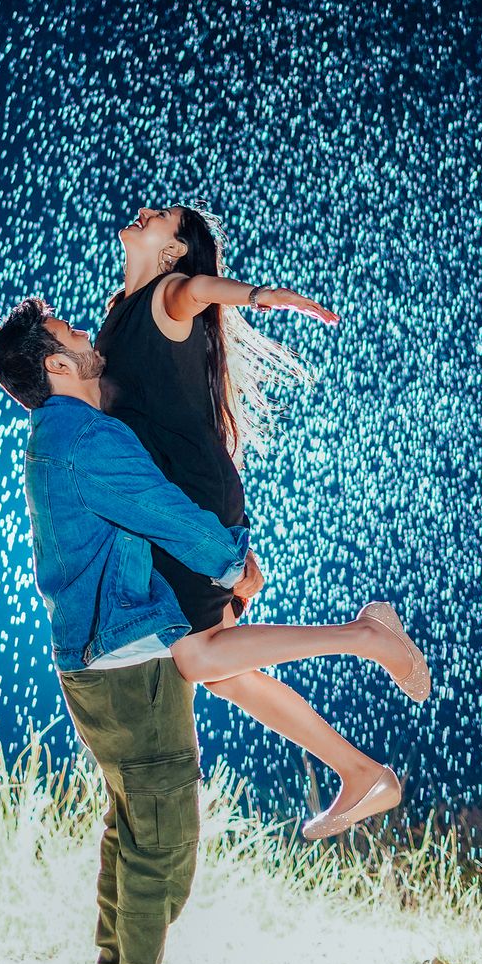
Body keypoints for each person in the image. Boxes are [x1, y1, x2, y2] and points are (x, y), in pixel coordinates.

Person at [94, 200, 431, 839]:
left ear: (174, 251)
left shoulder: (171, 291)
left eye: (162, 214)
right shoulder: (121, 311)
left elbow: (205, 288)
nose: (145, 210)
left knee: (196, 658)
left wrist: (265, 295)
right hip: (176, 502)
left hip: (188, 498)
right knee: (221, 671)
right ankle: (362, 773)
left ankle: (366, 638)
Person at [0, 296, 248, 964]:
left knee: (129, 828)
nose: (86, 334)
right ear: (56, 366)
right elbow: (169, 513)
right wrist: (234, 561)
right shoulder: (90, 439)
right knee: (163, 839)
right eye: (71, 334)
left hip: (97, 662)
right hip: (128, 661)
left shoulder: (53, 435)